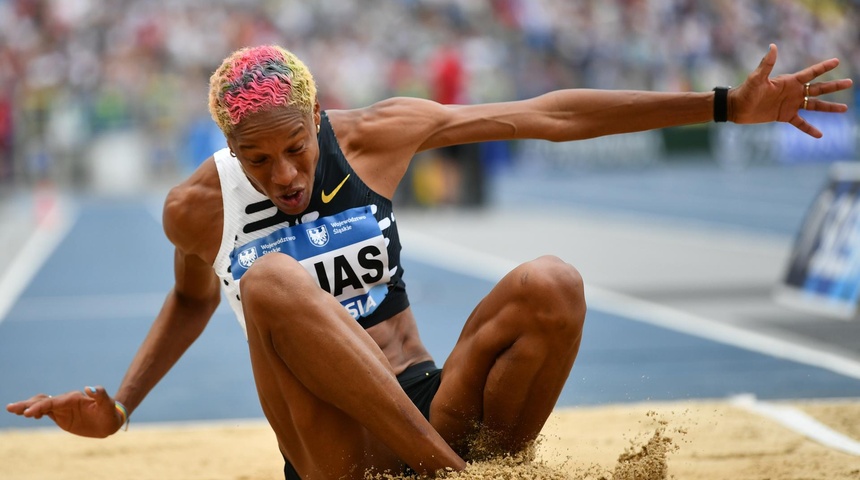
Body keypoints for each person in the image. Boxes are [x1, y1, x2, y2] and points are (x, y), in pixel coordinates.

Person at [6, 43, 853, 479]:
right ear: (229, 148)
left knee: (551, 282)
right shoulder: (196, 208)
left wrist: (720, 106)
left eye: (297, 150)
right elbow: (192, 300)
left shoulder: (380, 134)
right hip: (329, 450)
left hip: (428, 405)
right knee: (268, 280)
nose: (285, 176)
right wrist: (121, 403)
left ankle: (459, 470)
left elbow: (547, 115)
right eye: (258, 162)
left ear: (320, 123)